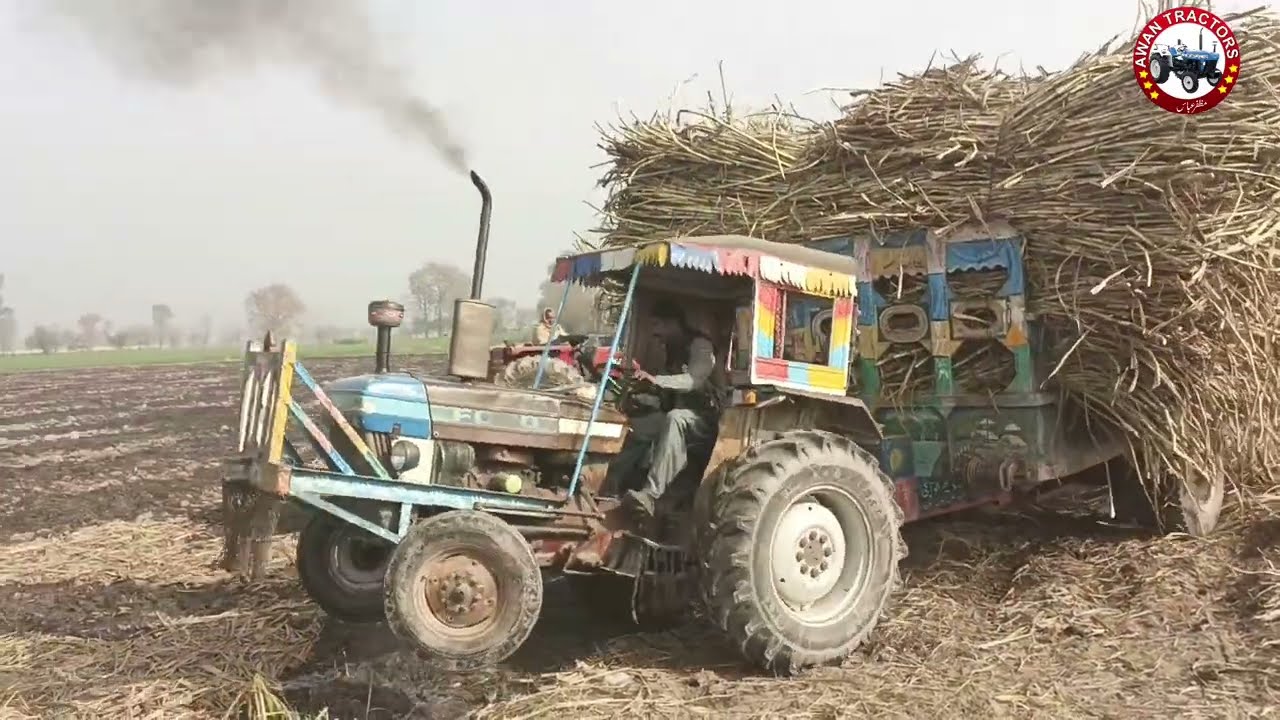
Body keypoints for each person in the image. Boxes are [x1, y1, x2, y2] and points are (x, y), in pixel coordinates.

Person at [620, 299, 724, 521]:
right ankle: (614, 486)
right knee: (637, 427)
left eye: (657, 325)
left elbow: (693, 381)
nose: (655, 333)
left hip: (706, 421)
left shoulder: (700, 345)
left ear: (672, 323)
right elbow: (669, 395)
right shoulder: (671, 349)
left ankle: (651, 495)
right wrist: (645, 394)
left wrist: (656, 381)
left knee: (676, 419)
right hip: (680, 414)